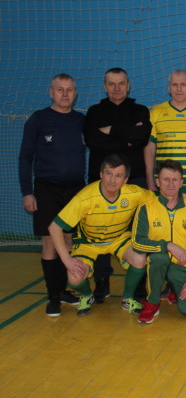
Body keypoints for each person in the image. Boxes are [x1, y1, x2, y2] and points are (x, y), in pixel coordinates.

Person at [48, 154, 154, 317]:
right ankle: (86, 295)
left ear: (125, 180)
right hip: (88, 243)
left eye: (118, 176)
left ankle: (127, 299)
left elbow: (159, 200)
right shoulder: (85, 198)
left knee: (140, 258)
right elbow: (54, 227)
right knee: (74, 278)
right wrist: (67, 260)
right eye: (108, 174)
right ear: (101, 174)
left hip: (119, 238)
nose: (112, 180)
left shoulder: (134, 193)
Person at [18, 73, 85, 316]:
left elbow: (103, 138)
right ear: (51, 92)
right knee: (49, 243)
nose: (65, 94)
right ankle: (53, 297)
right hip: (46, 190)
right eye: (60, 89)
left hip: (75, 190)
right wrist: (27, 192)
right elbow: (25, 158)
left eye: (69, 90)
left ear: (75, 93)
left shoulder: (81, 121)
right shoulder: (38, 119)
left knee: (68, 242)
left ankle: (64, 290)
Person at [84, 67, 152, 303]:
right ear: (105, 86)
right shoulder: (94, 112)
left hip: (135, 181)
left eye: (121, 83)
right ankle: (101, 281)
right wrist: (127, 139)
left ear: (128, 85)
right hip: (100, 184)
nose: (117, 88)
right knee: (100, 232)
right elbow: (93, 140)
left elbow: (141, 138)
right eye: (111, 84)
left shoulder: (140, 110)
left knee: (138, 231)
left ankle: (140, 284)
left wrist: (112, 131)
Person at [144, 70, 186, 301]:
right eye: (175, 84)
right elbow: (150, 149)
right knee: (169, 235)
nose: (179, 88)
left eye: (183, 85)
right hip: (167, 190)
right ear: (169, 87)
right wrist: (150, 181)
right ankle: (170, 283)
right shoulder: (156, 113)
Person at [133, 160, 186, 324]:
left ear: (181, 183)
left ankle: (175, 290)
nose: (171, 184)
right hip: (158, 261)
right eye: (166, 179)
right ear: (157, 182)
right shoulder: (146, 207)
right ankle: (152, 302)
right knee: (158, 257)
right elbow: (137, 242)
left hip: (183, 267)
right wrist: (168, 245)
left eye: (175, 180)